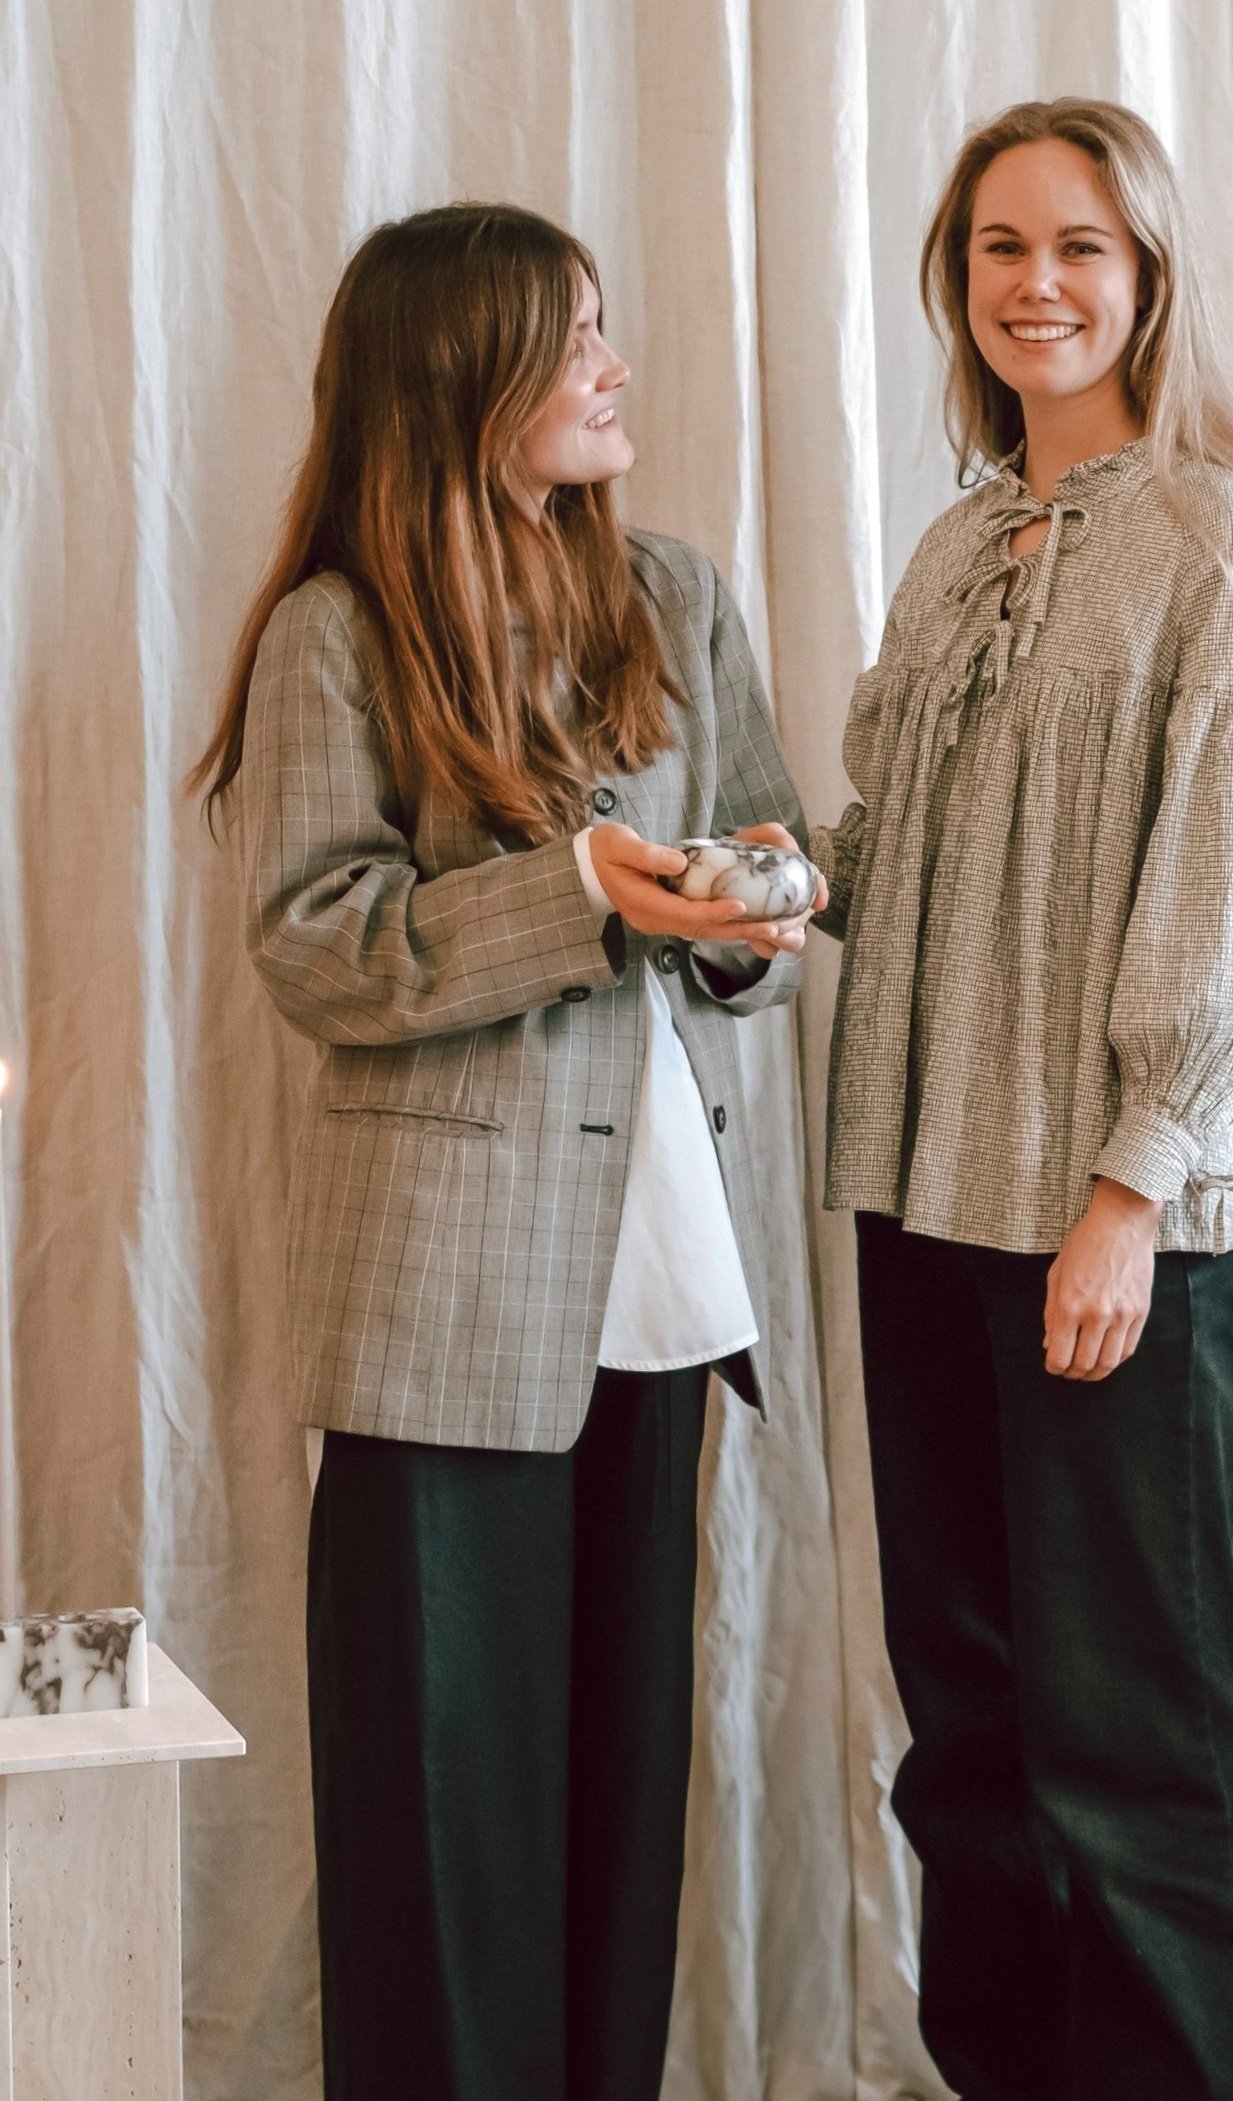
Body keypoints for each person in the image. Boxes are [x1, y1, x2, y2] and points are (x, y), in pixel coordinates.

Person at [189, 203, 818, 2101]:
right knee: (442, 1823)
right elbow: (319, 943)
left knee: (620, 1804)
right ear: (462, 377)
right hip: (443, 1303)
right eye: (576, 339)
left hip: (663, 1273)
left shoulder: (676, 595)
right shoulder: (336, 634)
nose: (617, 369)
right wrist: (581, 893)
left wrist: (750, 907)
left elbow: (771, 853)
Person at [809, 98, 1233, 2101]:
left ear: (1148, 278)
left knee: (1131, 1727)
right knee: (965, 1715)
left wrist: (1129, 1187)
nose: (1032, 284)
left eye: (1076, 247)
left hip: (1101, 1216)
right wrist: (768, 887)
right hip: (919, 1188)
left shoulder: (1224, 546)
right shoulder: (957, 546)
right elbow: (899, 852)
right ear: (952, 280)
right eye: (996, 247)